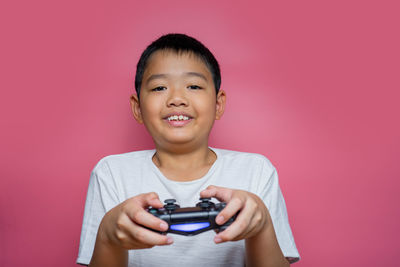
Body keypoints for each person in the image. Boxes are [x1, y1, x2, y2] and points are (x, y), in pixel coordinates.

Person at [76, 33, 300, 267]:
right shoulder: (111, 173)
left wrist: (261, 225)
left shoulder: (256, 171)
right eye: (159, 87)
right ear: (137, 108)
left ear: (218, 104)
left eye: (193, 85)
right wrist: (107, 236)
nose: (177, 98)